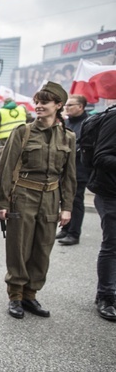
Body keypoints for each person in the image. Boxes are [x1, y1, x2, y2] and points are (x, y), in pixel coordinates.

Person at [0, 82, 76, 319]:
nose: (39, 106)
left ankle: (31, 295)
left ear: (58, 106)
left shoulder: (68, 137)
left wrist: (67, 207)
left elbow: (69, 176)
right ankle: (16, 296)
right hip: (23, 196)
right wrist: (3, 203)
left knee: (42, 248)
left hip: (51, 197)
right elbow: (6, 169)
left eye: (45, 102)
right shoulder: (23, 132)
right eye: (37, 101)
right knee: (18, 248)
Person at [83, 100, 116, 321]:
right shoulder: (114, 119)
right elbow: (101, 157)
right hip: (111, 192)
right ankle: (106, 296)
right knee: (112, 245)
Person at [57, 94, 90, 246]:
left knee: (76, 201)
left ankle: (74, 233)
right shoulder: (67, 122)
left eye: (70, 105)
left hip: (79, 169)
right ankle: (65, 228)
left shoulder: (88, 123)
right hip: (64, 169)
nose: (66, 108)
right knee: (64, 199)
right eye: (66, 105)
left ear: (80, 107)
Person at [0, 98, 27, 175]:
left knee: (4, 162)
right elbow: (29, 120)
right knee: (19, 160)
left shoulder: (2, 112)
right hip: (21, 138)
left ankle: (4, 178)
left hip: (4, 141)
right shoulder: (22, 109)